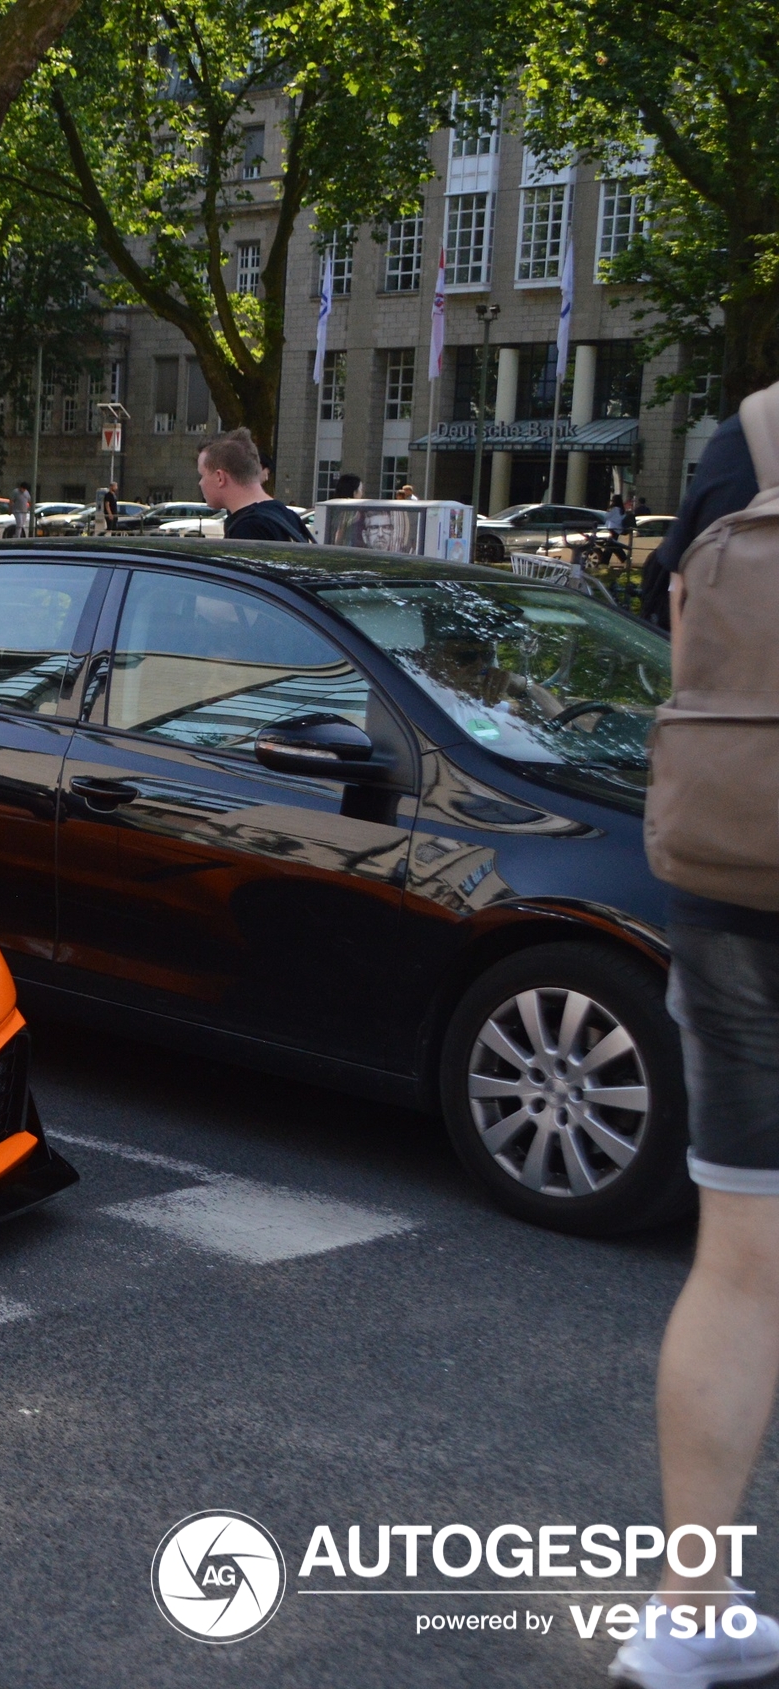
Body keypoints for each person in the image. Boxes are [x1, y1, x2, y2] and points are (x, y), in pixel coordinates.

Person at [611, 388, 779, 1689]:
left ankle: (686, 1613)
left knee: (740, 1266)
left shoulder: (755, 438)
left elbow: (685, 643)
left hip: (737, 879)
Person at [198, 428, 311, 541]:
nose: (200, 483)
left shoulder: (248, 528)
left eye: (202, 475)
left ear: (220, 478)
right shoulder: (288, 515)